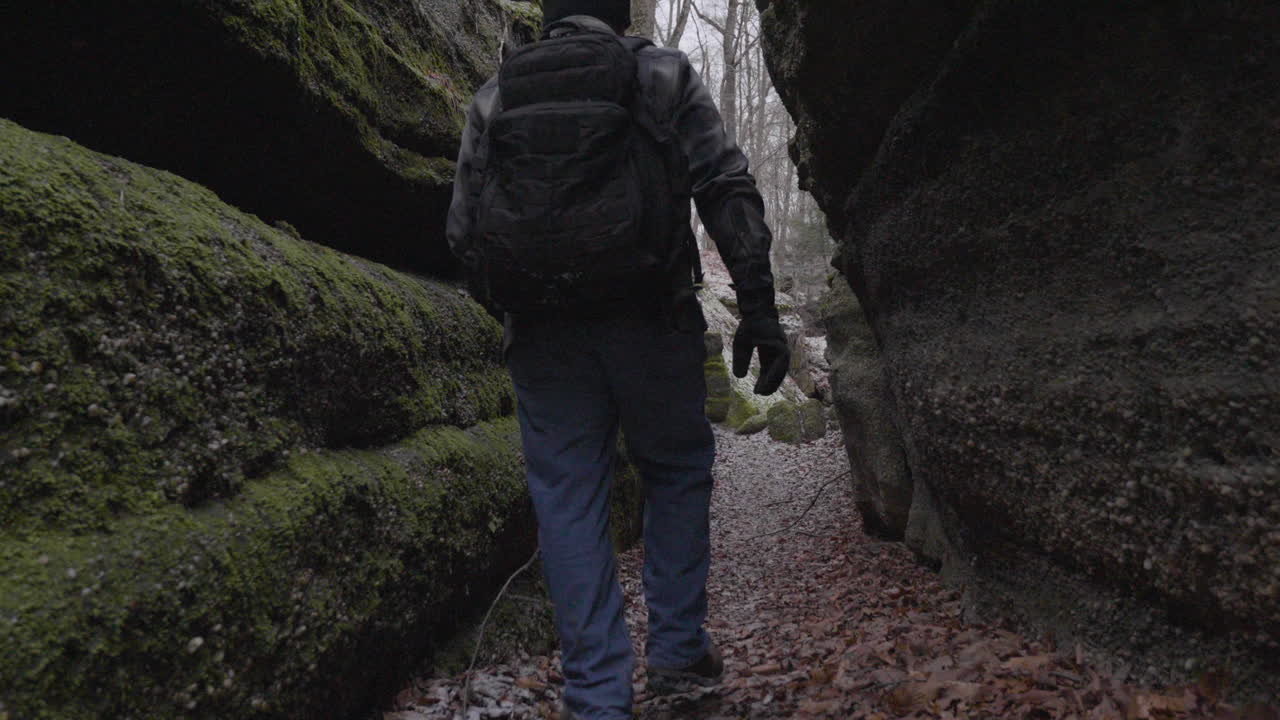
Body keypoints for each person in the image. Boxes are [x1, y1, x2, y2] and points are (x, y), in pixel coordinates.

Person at [446, 1, 789, 718]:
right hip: (650, 317)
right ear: (619, 10)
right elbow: (723, 185)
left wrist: (518, 310)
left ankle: (599, 696)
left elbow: (464, 229)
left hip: (542, 334)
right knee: (676, 471)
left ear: (549, 14)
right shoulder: (658, 73)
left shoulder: (499, 93)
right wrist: (757, 306)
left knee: (568, 496)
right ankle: (676, 661)